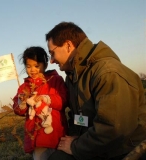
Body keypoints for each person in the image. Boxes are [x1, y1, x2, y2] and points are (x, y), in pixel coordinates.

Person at [45, 22, 146, 160]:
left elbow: (113, 129)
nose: (51, 61)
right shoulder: (73, 77)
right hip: (93, 144)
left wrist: (75, 146)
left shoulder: (108, 73)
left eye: (52, 53)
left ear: (68, 45)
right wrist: (73, 138)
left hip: (124, 149)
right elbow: (78, 117)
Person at [12, 46, 69, 160]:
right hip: (36, 137)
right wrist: (22, 102)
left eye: (36, 66)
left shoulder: (55, 81)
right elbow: (18, 110)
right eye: (28, 66)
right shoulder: (24, 87)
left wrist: (46, 98)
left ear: (45, 65)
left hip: (56, 134)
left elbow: (64, 100)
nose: (32, 70)